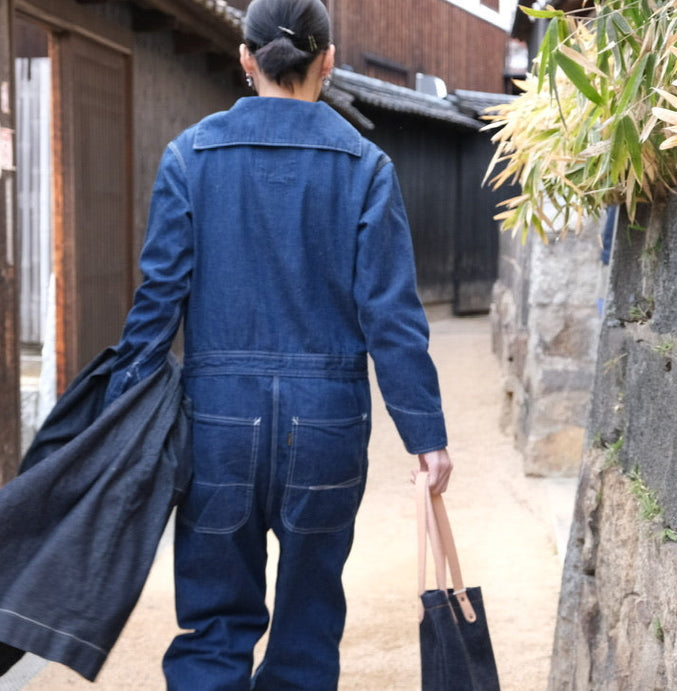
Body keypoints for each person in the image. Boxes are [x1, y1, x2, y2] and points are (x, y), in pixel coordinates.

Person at [104, 0, 452, 687]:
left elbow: (157, 300)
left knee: (214, 627)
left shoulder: (190, 156)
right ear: (329, 61)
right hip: (327, 425)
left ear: (246, 59)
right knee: (306, 631)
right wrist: (426, 434)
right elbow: (391, 316)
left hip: (216, 424)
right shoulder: (365, 166)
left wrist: (120, 411)